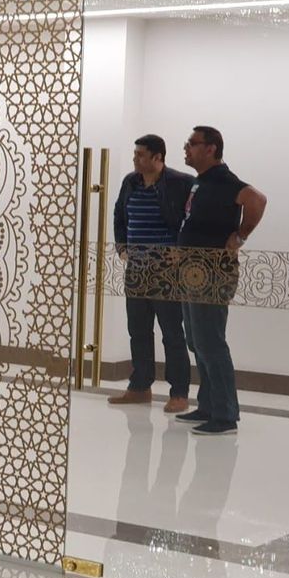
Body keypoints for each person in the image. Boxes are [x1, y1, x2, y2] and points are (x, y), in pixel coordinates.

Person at [176, 126, 267, 436]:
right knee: (196, 340)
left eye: (192, 143)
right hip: (193, 271)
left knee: (210, 341)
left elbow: (257, 199)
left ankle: (225, 414)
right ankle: (208, 405)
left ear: (211, 148)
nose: (186, 148)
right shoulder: (201, 182)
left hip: (212, 273)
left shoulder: (224, 180)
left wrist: (240, 236)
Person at [107, 134, 194, 413]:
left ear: (158, 157)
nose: (135, 159)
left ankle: (179, 392)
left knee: (172, 332)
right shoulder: (130, 182)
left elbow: (192, 219)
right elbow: (119, 216)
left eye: (141, 155)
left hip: (167, 271)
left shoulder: (181, 183)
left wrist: (182, 250)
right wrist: (122, 247)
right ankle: (140, 386)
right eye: (135, 154)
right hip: (137, 270)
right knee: (138, 330)